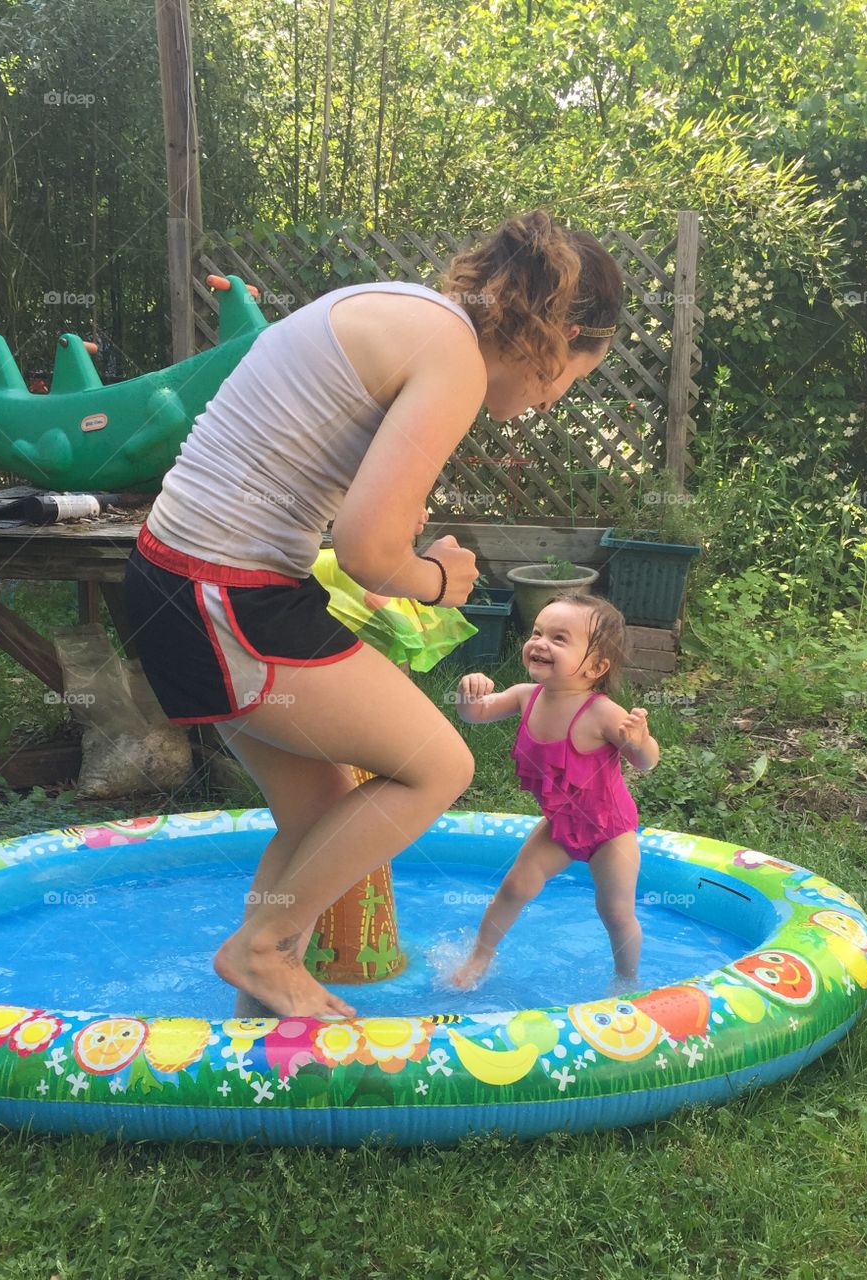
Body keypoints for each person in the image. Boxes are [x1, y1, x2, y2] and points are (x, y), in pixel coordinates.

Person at [122, 209, 624, 1019]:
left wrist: (408, 558)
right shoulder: (454, 359)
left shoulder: (406, 311)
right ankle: (261, 950)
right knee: (439, 764)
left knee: (318, 816)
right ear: (559, 336)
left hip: (179, 579)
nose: (550, 402)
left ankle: (261, 999)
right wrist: (439, 579)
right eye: (572, 378)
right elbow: (365, 550)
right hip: (223, 590)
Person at [450, 592, 659, 992]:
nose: (540, 643)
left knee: (615, 912)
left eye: (560, 639)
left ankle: (627, 981)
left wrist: (640, 742)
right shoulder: (524, 697)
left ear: (596, 666)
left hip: (609, 832)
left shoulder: (601, 712)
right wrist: (467, 694)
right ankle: (479, 958)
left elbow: (646, 763)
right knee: (514, 887)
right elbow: (473, 715)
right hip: (560, 826)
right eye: (537, 632)